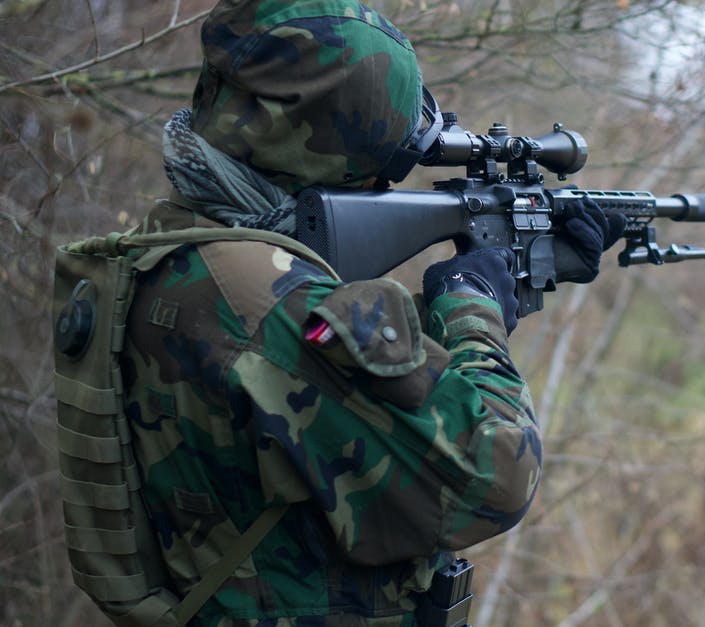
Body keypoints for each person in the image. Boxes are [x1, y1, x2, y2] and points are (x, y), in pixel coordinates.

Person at [118, 1, 622, 624]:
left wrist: (489, 283)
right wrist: (473, 311)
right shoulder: (270, 306)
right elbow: (497, 478)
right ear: (339, 145)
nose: (385, 183)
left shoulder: (171, 251)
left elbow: (315, 380)